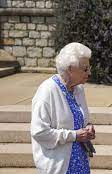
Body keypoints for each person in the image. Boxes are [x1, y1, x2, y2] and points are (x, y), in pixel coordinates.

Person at [31, 42, 95, 174]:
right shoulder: (47, 91)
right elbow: (39, 132)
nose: (89, 73)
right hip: (58, 166)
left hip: (80, 162)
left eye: (89, 68)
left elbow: (79, 120)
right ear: (70, 69)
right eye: (85, 69)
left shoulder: (78, 88)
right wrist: (73, 135)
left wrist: (88, 126)